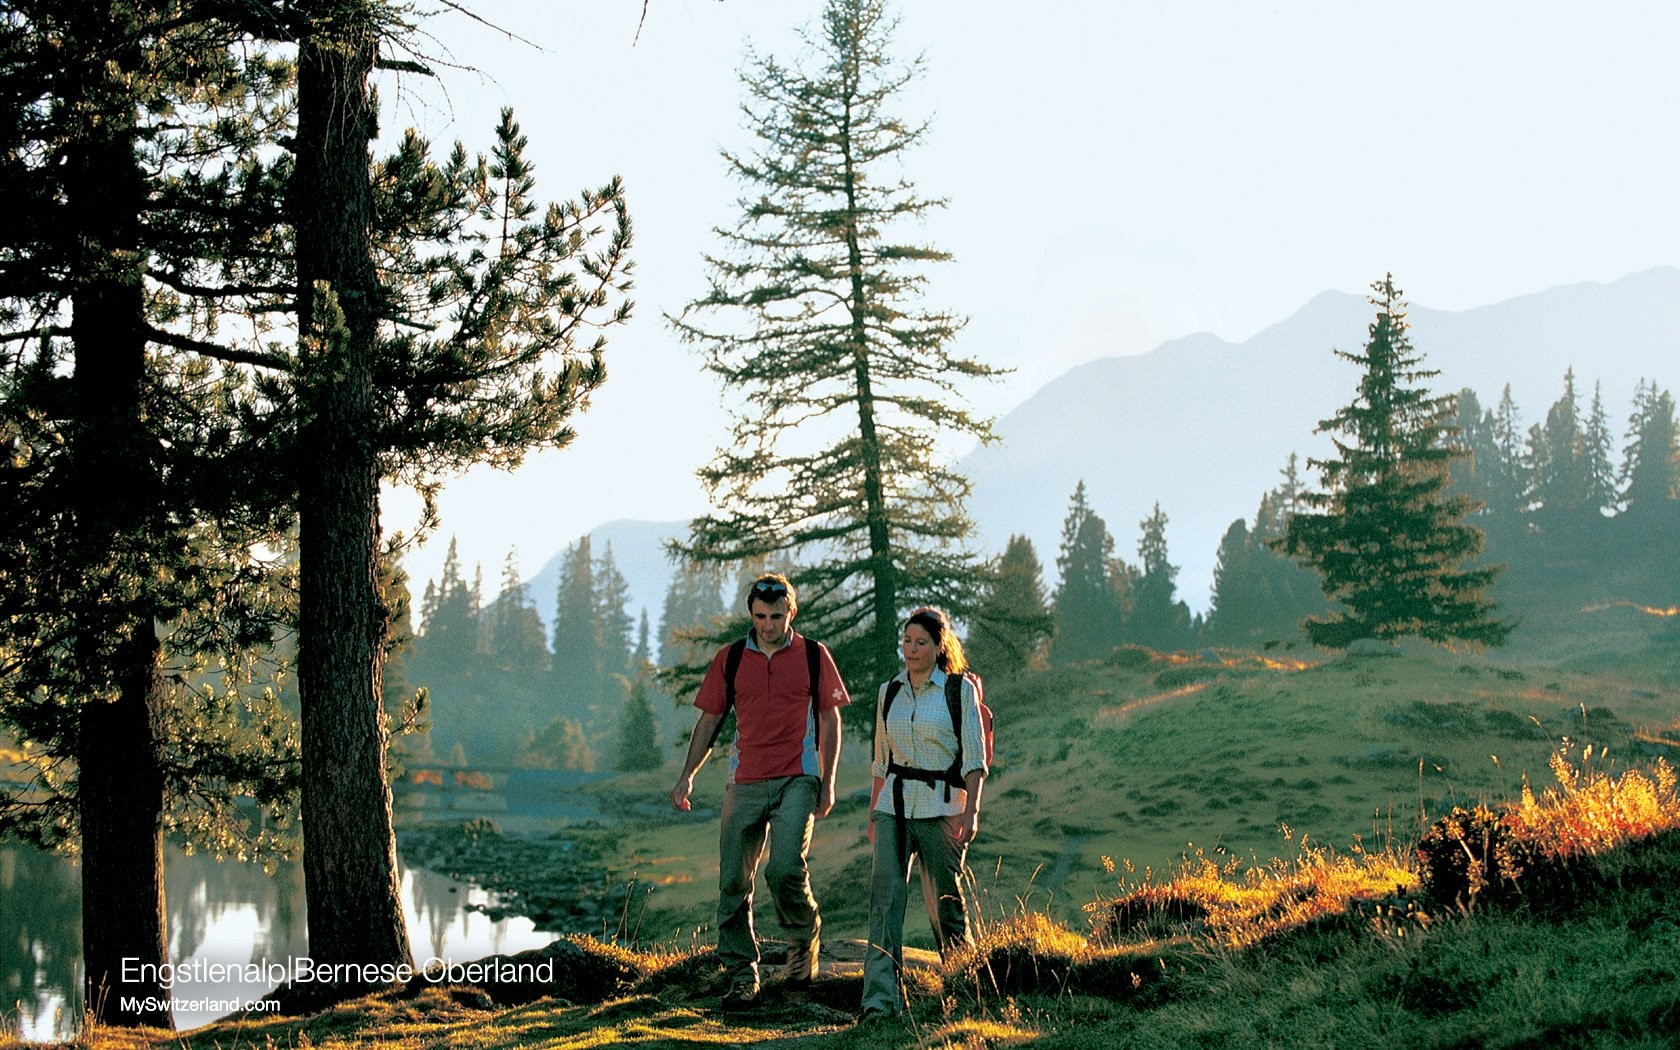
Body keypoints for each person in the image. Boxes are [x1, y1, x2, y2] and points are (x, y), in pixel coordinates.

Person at [670, 573, 849, 1011]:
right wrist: (686, 775)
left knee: (784, 869)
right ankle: (740, 973)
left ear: (792, 611)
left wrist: (827, 780)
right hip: (745, 780)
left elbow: (829, 719)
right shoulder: (730, 659)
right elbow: (709, 721)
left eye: (776, 616)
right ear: (751, 613)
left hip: (798, 777)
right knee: (733, 880)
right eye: (759, 616)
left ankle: (802, 942)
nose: (767, 625)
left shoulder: (812, 655)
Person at [860, 606, 988, 1017]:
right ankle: (879, 1003)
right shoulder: (889, 691)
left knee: (944, 905)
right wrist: (872, 812)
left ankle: (965, 993)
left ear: (938, 647)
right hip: (892, 807)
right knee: (885, 901)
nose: (911, 650)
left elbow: (974, 757)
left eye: (921, 643)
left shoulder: (958, 690)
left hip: (942, 807)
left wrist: (972, 813)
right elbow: (881, 760)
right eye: (907, 641)